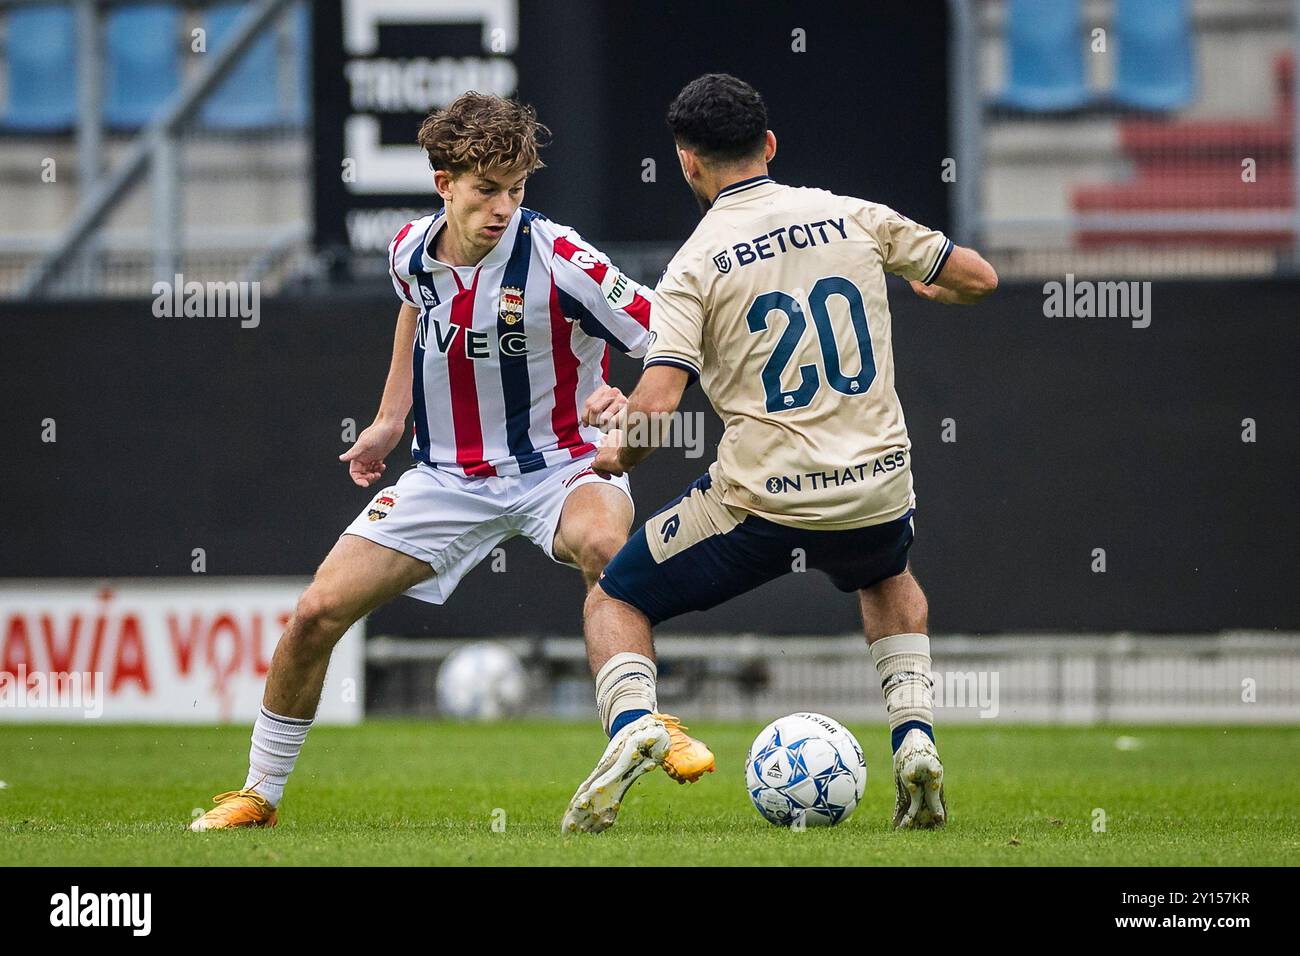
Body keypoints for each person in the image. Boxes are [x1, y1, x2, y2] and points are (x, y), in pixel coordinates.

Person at [190, 91, 701, 830]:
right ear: (445, 186)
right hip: (447, 477)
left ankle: (639, 727)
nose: (503, 207)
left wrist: (629, 412)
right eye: (487, 190)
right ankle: (258, 794)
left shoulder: (561, 258)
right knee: (315, 613)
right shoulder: (410, 251)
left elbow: (670, 337)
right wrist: (389, 418)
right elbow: (413, 306)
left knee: (605, 549)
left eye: (516, 190)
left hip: (562, 464)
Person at [562, 74, 998, 834]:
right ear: (769, 145)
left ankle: (633, 723)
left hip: (765, 502)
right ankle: (916, 739)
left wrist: (614, 455)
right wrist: (937, 289)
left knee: (617, 596)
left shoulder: (693, 267)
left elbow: (657, 409)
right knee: (888, 575)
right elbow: (977, 279)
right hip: (876, 491)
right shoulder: (850, 214)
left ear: (687, 163)